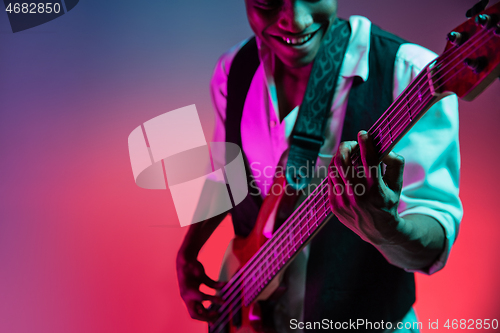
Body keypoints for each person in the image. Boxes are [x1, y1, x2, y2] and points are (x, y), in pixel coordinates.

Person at [176, 0, 462, 332]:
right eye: (268, 1)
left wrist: (388, 230)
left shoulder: (410, 74)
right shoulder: (233, 69)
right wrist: (189, 249)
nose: (296, 22)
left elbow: (432, 246)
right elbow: (226, 173)